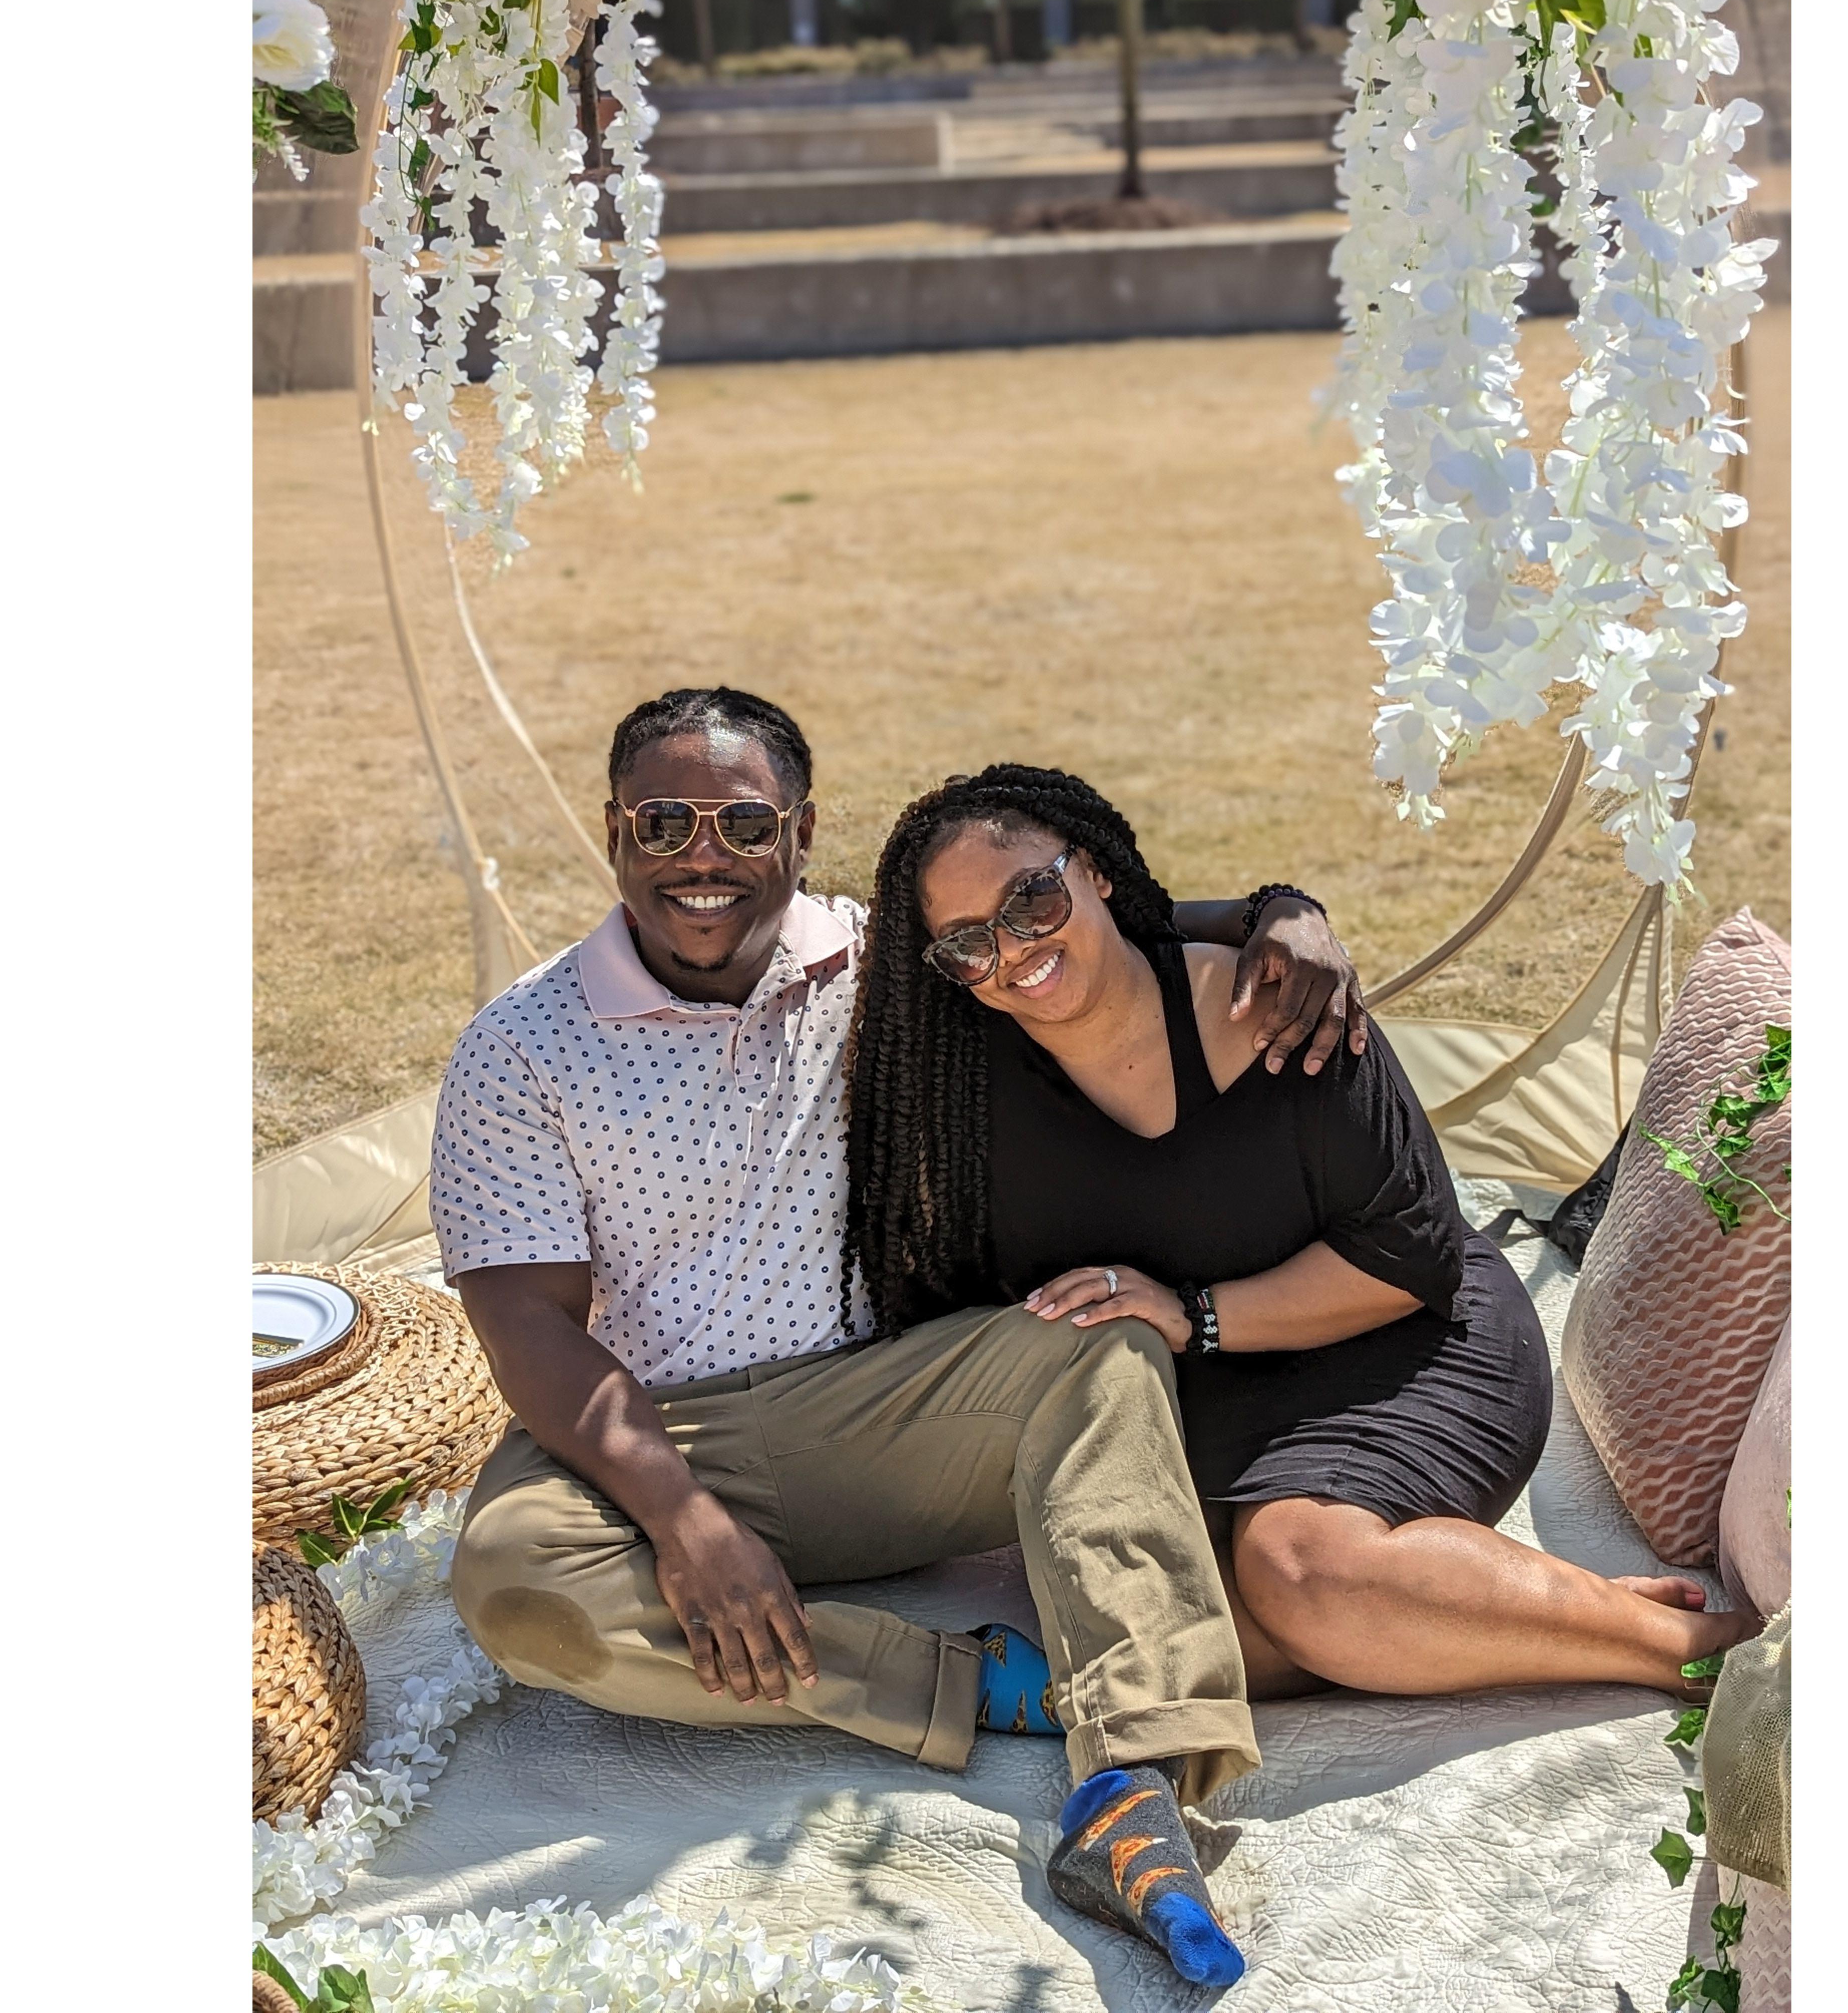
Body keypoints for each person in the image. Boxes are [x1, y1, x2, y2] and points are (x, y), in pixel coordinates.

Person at [430, 687, 1365, 1989]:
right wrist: (683, 1520)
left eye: (743, 822)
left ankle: (1134, 1790)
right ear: (614, 831)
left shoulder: (884, 963)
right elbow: (526, 1323)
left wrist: (1280, 913)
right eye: (664, 822)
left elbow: (1084, 927)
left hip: (888, 1414)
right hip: (664, 1433)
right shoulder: (521, 1047)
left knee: (1098, 1346)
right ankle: (985, 1686)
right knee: (511, 1576)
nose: (703, 855)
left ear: (803, 832)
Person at [846, 763, 1759, 1724]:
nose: (1014, 950)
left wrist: (1191, 1313)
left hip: (1401, 1342)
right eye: (969, 943)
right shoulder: (955, 1090)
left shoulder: (1278, 1000)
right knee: (1170, 1634)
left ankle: (1707, 1657)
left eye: (1033, 898)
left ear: (1097, 872)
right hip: (1205, 1401)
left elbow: (1410, 1252)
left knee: (1301, 1572)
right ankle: (1545, 1607)